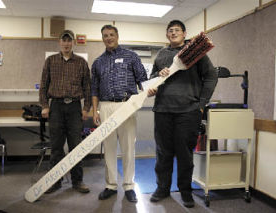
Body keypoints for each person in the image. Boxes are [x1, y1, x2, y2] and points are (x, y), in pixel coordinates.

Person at [147, 20, 218, 208]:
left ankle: (185, 191)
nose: (173, 33)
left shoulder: (195, 53)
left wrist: (201, 104)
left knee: (185, 154)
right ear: (166, 35)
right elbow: (151, 80)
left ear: (184, 33)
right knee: (163, 153)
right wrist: (155, 79)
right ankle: (162, 189)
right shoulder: (161, 54)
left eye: (177, 30)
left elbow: (211, 76)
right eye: (170, 31)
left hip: (188, 112)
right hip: (162, 110)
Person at [91, 25, 147, 202]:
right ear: (102, 38)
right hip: (106, 106)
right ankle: (111, 185)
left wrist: (142, 97)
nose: (108, 38)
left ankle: (129, 186)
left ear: (117, 36)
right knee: (109, 148)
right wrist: (95, 111)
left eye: (111, 35)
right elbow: (94, 89)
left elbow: (143, 81)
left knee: (128, 147)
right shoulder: (98, 62)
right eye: (105, 36)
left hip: (126, 105)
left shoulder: (131, 56)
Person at [39, 29, 91, 194]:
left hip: (75, 107)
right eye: (64, 40)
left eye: (69, 41)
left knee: (76, 146)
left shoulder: (81, 62)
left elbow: (87, 88)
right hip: (56, 107)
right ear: (59, 42)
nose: (66, 43)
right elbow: (43, 85)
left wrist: (86, 108)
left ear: (73, 42)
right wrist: (44, 105)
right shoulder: (50, 61)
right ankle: (55, 181)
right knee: (56, 147)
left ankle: (78, 181)